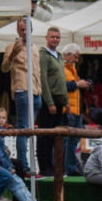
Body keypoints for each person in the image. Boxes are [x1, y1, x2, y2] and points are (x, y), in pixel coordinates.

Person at [0, 17, 41, 171]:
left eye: (26, 29)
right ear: (17, 31)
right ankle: (24, 165)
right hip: (22, 90)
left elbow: (38, 71)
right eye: (21, 29)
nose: (23, 32)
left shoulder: (35, 47)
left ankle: (27, 164)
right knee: (23, 128)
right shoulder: (12, 46)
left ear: (31, 30)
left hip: (37, 91)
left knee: (30, 129)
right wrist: (12, 55)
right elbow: (4, 68)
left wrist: (41, 91)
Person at [37, 27, 68, 176]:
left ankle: (53, 166)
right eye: (52, 37)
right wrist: (49, 102)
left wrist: (66, 101)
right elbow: (42, 79)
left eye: (57, 37)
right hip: (49, 99)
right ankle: (45, 167)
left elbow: (62, 79)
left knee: (55, 136)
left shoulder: (59, 56)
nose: (55, 39)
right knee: (45, 135)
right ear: (46, 38)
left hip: (59, 100)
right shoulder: (44, 55)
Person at [61, 42, 91, 176]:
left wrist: (82, 84)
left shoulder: (71, 68)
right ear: (68, 55)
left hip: (76, 109)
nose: (77, 60)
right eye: (76, 57)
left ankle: (70, 168)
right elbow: (60, 86)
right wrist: (78, 84)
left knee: (73, 141)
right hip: (68, 109)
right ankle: (67, 168)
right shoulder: (62, 67)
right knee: (68, 141)